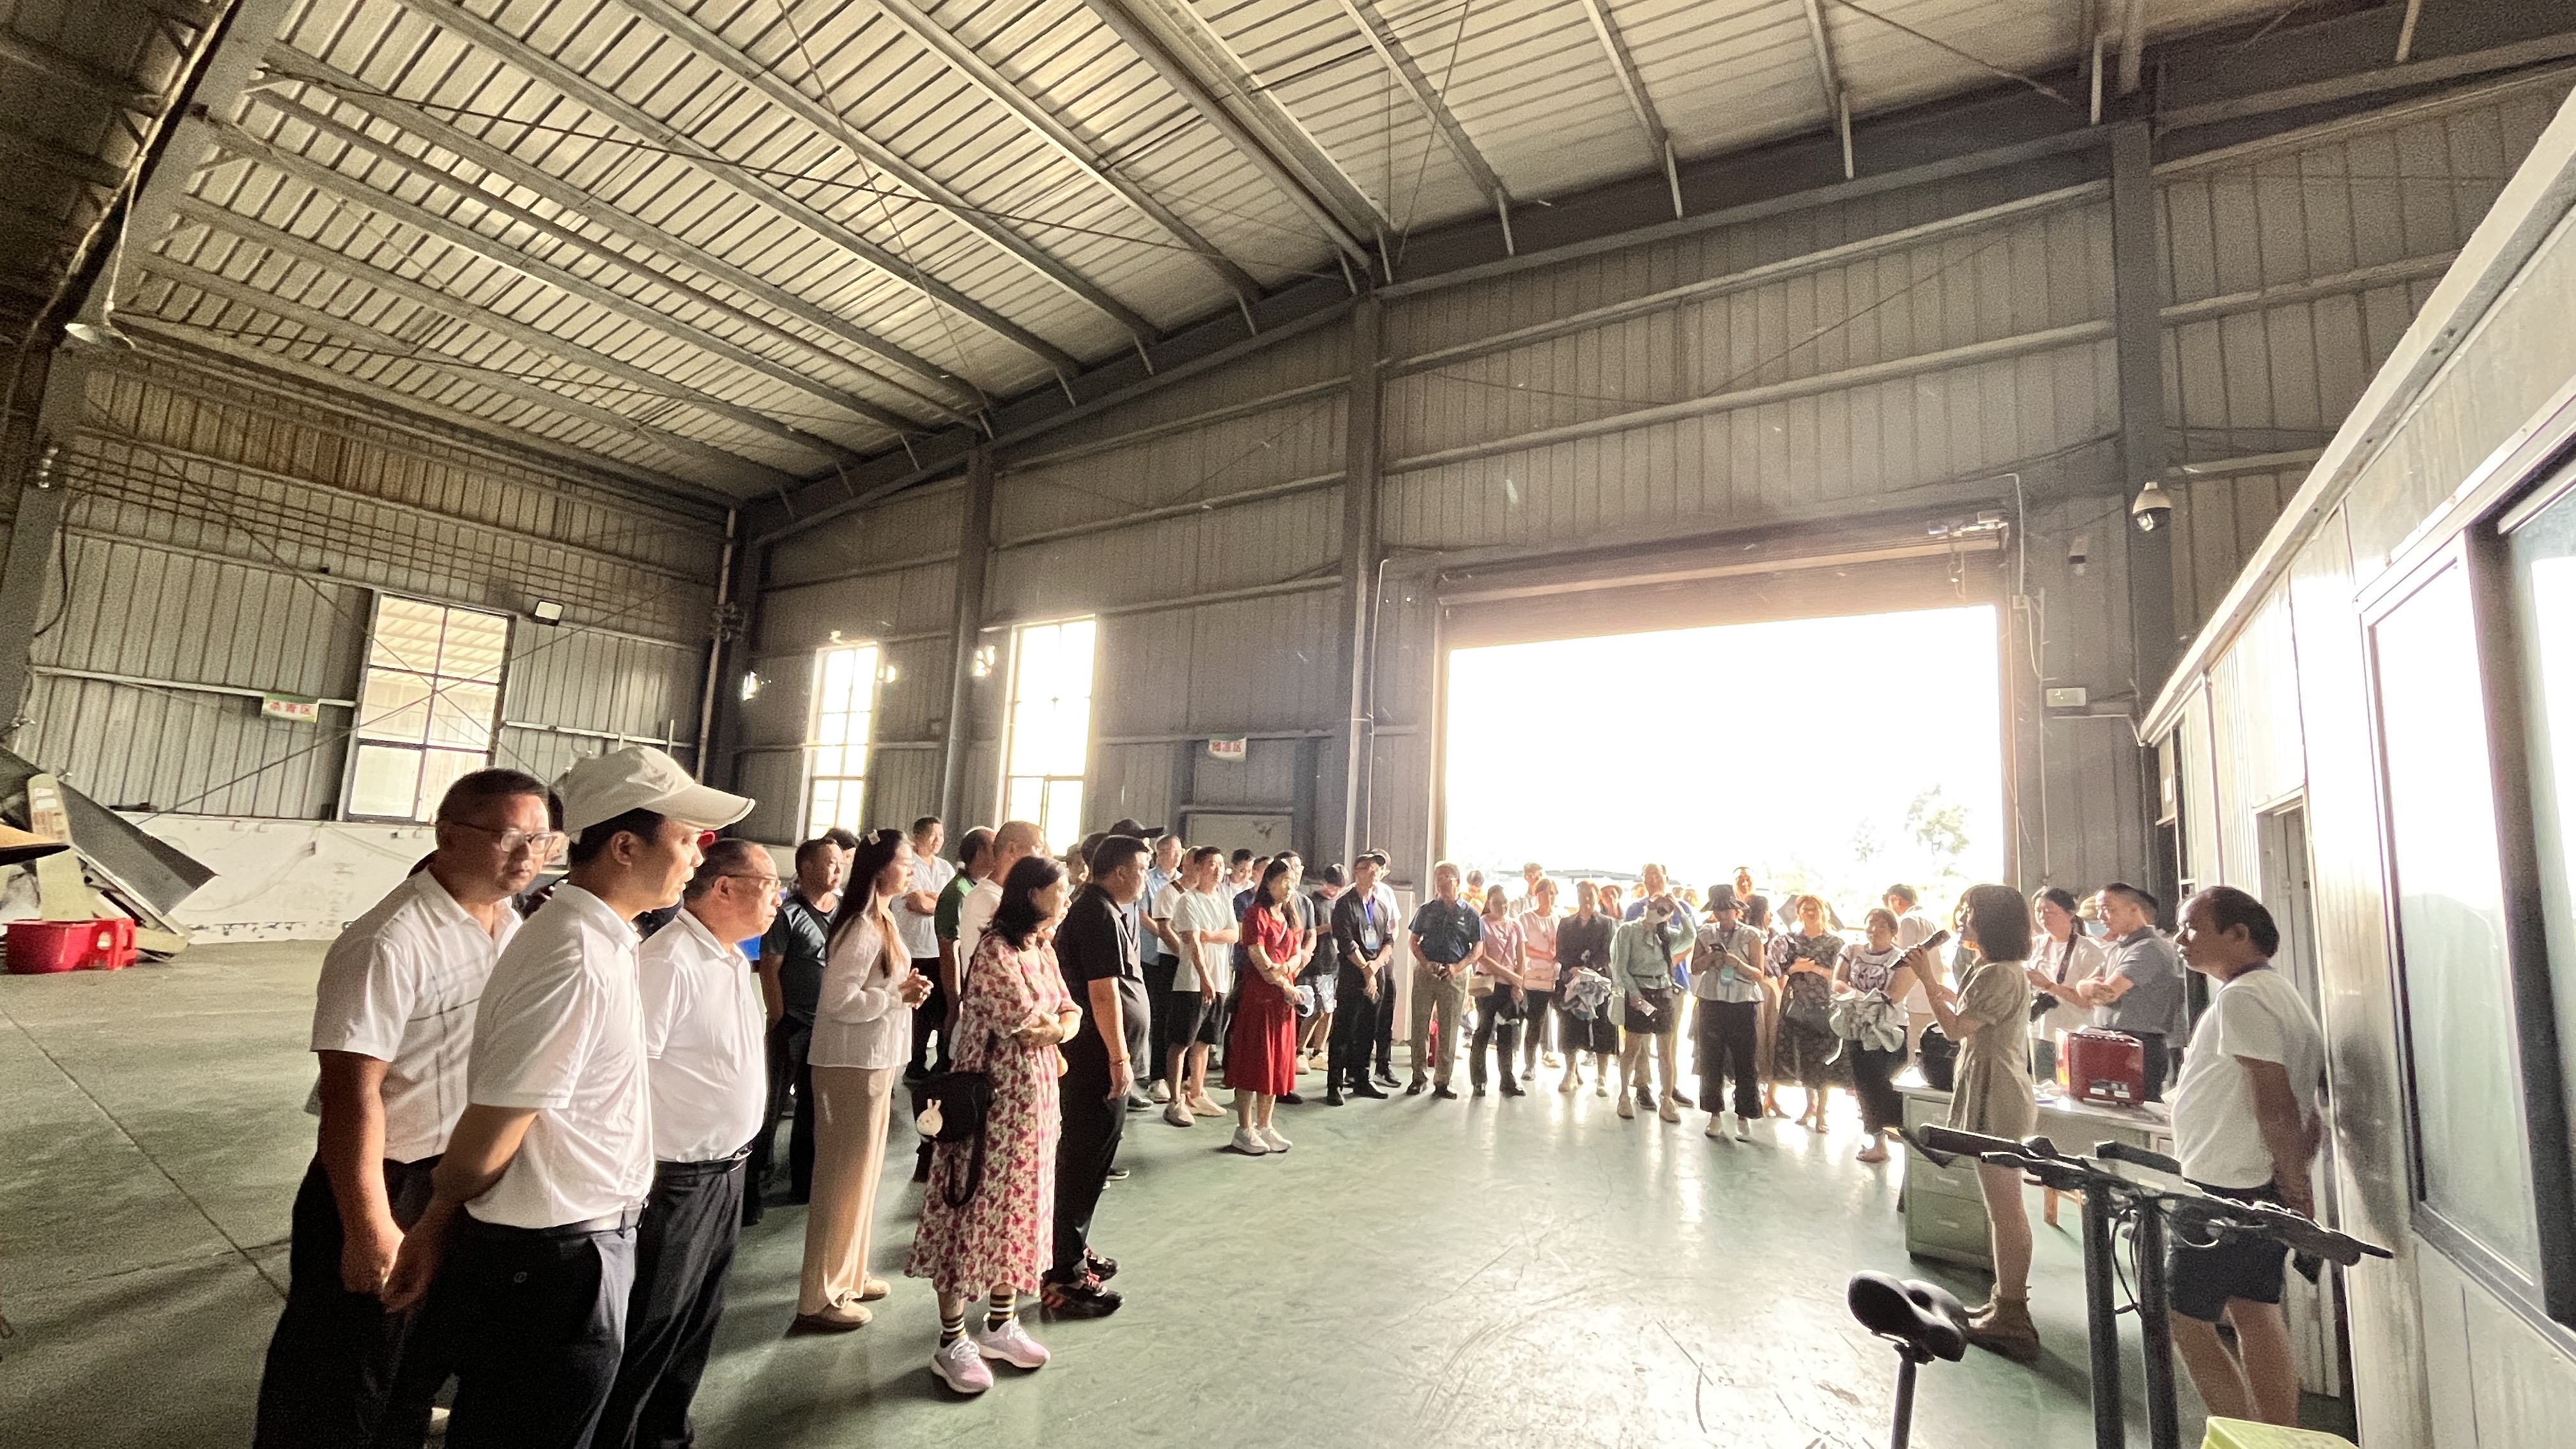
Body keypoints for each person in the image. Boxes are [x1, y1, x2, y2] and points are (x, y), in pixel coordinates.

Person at [379, 746, 751, 1447]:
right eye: (685, 840)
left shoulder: (601, 940)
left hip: (578, 1243)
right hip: (555, 1261)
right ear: (624, 846)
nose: (697, 859)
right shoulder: (574, 954)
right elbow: (496, 1125)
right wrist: (433, 1226)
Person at [255, 769, 558, 1449]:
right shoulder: (390, 940)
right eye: (510, 837)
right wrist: (367, 1226)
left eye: (542, 840)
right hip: (389, 1181)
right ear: (448, 835)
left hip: (454, 1176)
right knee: (340, 1373)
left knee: (419, 1357)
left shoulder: (511, 926)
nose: (528, 856)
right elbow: (350, 1092)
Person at [598, 839, 776, 1449]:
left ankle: (667, 1437)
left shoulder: (727, 957)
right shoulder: (669, 961)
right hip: (676, 1181)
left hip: (726, 1174)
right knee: (651, 1332)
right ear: (724, 888)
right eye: (768, 884)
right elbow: (625, 1078)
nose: (777, 898)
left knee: (696, 1326)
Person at [908, 855, 1084, 1396]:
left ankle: (1001, 1324)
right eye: (1060, 890)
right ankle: (951, 1340)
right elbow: (1024, 1021)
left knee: (1020, 1214)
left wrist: (1060, 1028)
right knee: (970, 1213)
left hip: (1035, 1111)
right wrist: (1057, 1027)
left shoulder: (1041, 948)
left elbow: (1069, 1012)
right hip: (991, 1112)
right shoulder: (994, 951)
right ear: (1032, 894)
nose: (1067, 899)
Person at [2165, 886, 2326, 1427]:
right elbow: (2306, 1107)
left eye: (2192, 927)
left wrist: (2296, 1184)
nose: (2180, 938)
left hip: (2227, 1188)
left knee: (2182, 1317)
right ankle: (2276, 1435)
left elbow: (2276, 1098)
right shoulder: (2276, 993)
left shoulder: (2244, 999)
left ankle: (2240, 1435)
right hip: (2254, 1182)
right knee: (2254, 1308)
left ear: (2239, 934)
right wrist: (2291, 1180)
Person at [793, 829, 931, 1331]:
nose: (912, 869)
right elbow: (839, 1001)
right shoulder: (860, 927)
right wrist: (896, 997)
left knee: (863, 1177)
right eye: (905, 860)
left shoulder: (884, 919)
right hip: (850, 1065)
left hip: (874, 1061)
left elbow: (876, 985)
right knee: (841, 1179)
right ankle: (820, 1295)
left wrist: (905, 989)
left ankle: (849, 1274)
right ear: (879, 867)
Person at [1903, 882, 2041, 1363]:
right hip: (1993, 1088)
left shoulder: (1998, 973)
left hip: (1996, 1096)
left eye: (1970, 912)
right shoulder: (1999, 971)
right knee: (2003, 1208)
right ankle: (2004, 1301)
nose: (1962, 919)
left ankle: (2013, 1314)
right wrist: (1943, 988)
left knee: (2005, 1211)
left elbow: (1955, 1028)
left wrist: (1926, 979)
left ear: (1992, 921)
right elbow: (1971, 1013)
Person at [1046, 834, 1148, 1315]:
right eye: (1142, 869)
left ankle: (1071, 1246)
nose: (1146, 878)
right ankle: (1063, 1273)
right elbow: (1103, 992)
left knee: (1091, 1161)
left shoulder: (1105, 909)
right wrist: (1119, 1058)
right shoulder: (1097, 913)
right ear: (1122, 872)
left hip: (1098, 1054)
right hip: (1094, 1058)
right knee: (1084, 1160)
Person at [751, 839, 841, 1216]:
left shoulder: (844, 911)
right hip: (793, 1025)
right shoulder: (787, 914)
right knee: (770, 1107)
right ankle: (753, 1189)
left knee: (812, 1106)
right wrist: (780, 1019)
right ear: (806, 868)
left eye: (840, 863)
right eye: (830, 863)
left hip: (829, 1026)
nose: (838, 869)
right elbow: (770, 969)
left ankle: (803, 1182)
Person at [2070, 882, 2186, 1101]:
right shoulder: (2120, 947)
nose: (2101, 917)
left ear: (2134, 909)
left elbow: (2108, 993)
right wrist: (2084, 986)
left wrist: (2089, 988)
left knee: (2138, 1109)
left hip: (2139, 1045)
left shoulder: (2149, 948)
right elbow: (2085, 988)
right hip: (2115, 1041)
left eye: (2109, 909)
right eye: (2100, 910)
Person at [1226, 858, 1308, 1153]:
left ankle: (1265, 1125)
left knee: (1276, 1064)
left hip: (1282, 1004)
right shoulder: (1256, 914)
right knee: (1254, 1062)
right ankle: (1243, 1129)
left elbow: (1297, 955)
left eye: (1292, 882)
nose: (1289, 887)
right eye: (1284, 881)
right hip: (1259, 1000)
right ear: (1269, 883)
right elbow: (1259, 960)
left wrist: (1284, 971)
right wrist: (1284, 983)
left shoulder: (1291, 916)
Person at [1157, 846, 1236, 1126]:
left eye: (1221, 864)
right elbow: (1191, 941)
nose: (1218, 869)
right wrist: (1204, 977)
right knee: (1182, 1041)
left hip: (1221, 980)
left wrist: (1211, 935)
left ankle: (1197, 1093)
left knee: (1204, 1042)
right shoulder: (1187, 900)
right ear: (1198, 868)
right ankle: (1174, 1100)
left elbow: (1234, 934)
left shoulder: (1224, 899)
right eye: (1212, 864)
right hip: (1192, 982)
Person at [1834, 908, 1912, 1164]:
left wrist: (1856, 997)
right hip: (1857, 1027)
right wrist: (1864, 998)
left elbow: (1894, 996)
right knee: (1864, 1085)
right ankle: (1878, 1141)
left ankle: (1902, 1135)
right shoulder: (1852, 950)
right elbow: (1837, 983)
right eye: (1871, 924)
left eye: (1882, 926)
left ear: (1893, 931)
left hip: (1889, 1029)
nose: (1875, 930)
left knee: (1887, 1083)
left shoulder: (1902, 959)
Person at [1689, 884, 1765, 1141]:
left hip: (1742, 1002)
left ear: (1737, 910)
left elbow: (1759, 973)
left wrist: (1737, 963)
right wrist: (1710, 958)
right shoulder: (1705, 933)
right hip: (1712, 1000)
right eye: (1718, 909)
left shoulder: (1751, 935)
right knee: (1710, 1059)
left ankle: (1744, 1115)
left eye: (1727, 909)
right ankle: (1714, 1114)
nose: (1723, 914)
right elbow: (1695, 968)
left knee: (1745, 1060)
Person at [1406, 861, 1483, 1100]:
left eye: (1446, 876)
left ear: (1457, 881)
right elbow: (1413, 941)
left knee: (1449, 1029)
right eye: (1437, 876)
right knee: (1420, 1025)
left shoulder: (1470, 914)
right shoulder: (1427, 910)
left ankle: (1443, 1081)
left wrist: (1458, 967)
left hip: (1454, 975)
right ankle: (1418, 1077)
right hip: (1426, 973)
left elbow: (1478, 948)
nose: (1440, 880)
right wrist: (1426, 963)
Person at [1768, 894, 1845, 1133]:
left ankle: (1822, 1113)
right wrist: (1798, 968)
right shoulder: (1790, 940)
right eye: (1805, 909)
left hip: (1824, 1005)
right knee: (1800, 1056)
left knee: (1822, 1058)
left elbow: (1841, 975)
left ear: (1824, 912)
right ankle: (1809, 1106)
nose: (1810, 913)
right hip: (1795, 1005)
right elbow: (1780, 969)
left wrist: (1817, 970)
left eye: (1815, 908)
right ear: (1799, 914)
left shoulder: (1835, 943)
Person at [1326, 850, 1398, 1105]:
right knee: (1344, 1029)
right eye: (1369, 869)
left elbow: (1388, 940)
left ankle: (1362, 1079)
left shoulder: (1380, 905)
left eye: (1377, 869)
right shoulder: (1345, 904)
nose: (1375, 873)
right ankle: (1335, 1084)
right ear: (1357, 873)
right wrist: (1366, 971)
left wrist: (1376, 966)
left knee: (1369, 1028)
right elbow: (1346, 942)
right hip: (1352, 975)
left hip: (1375, 975)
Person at [2023, 886, 2111, 1084]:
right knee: (2043, 1087)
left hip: (2073, 1031)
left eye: (2050, 911)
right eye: (2038, 911)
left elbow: (2089, 1002)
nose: (2043, 917)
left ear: (2070, 914)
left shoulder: (2088, 951)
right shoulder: (2034, 946)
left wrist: (2049, 986)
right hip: (2038, 1030)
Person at [1611, 895, 1685, 1122]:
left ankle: (1667, 1099)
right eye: (1655, 907)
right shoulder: (1628, 930)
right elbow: (1621, 967)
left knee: (1665, 1050)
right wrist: (1634, 992)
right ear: (1647, 906)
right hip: (1640, 990)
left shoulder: (1667, 935)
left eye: (1664, 911)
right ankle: (1624, 1094)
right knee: (1633, 1047)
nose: (1657, 912)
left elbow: (1690, 936)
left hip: (1663, 991)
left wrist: (1680, 909)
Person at [898, 817, 954, 1080]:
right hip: (915, 949)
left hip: (940, 948)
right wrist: (936, 898)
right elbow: (917, 903)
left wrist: (931, 896)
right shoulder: (909, 865)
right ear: (918, 836)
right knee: (917, 1010)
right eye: (933, 835)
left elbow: (952, 901)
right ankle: (915, 1063)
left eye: (941, 835)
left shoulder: (945, 867)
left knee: (941, 1007)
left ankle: (940, 1062)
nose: (938, 840)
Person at [1554, 881, 1620, 1094]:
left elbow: (1608, 952)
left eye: (1590, 895)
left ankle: (1602, 1077)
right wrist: (1574, 969)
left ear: (1596, 896)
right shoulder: (1566, 923)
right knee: (1569, 1027)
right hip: (1572, 981)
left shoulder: (1607, 923)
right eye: (1583, 895)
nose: (1586, 899)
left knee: (1603, 1026)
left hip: (1598, 983)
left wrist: (1589, 968)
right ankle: (1570, 1072)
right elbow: (1560, 951)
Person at [1467, 884, 1528, 1098]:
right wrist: (1512, 976)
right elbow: (1482, 957)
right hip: (1488, 985)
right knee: (1483, 1030)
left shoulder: (1516, 925)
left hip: (1509, 987)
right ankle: (1479, 1081)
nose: (1502, 906)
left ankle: (1508, 1079)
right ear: (1489, 904)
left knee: (1508, 1033)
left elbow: (1522, 957)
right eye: (1496, 903)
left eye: (1504, 902)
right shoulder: (1482, 924)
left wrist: (1517, 983)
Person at [1140, 832, 1186, 1101]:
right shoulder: (1148, 879)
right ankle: (1155, 1076)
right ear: (1160, 853)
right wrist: (1168, 936)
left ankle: (1177, 1077)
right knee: (1156, 1016)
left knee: (1175, 1016)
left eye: (1180, 851)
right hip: (1153, 955)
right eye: (1170, 851)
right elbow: (1144, 916)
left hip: (1179, 957)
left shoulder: (1184, 882)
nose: (1176, 856)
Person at [1298, 864, 1347, 1073]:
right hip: (1314, 964)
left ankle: (1319, 1051)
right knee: (1314, 1010)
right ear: (1324, 882)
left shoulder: (1339, 903)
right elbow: (1305, 932)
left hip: (1332, 963)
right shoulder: (1311, 902)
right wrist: (1327, 928)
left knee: (1328, 1010)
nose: (1334, 891)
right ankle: (1299, 1051)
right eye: (1332, 886)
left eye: (1339, 888)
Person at [1517, 878, 1561, 1076]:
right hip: (1534, 976)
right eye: (1546, 892)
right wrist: (1545, 955)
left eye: (1553, 893)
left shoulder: (1559, 918)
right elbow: (1523, 947)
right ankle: (1530, 1064)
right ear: (1538, 894)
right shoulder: (1526, 918)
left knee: (1562, 1020)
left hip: (1555, 976)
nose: (1550, 897)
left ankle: (1568, 1064)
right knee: (1535, 1020)